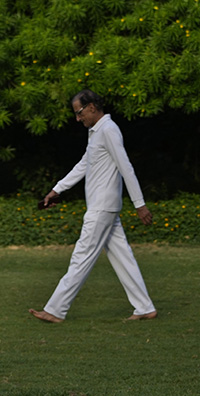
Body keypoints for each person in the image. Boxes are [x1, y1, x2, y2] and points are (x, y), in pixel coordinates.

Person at [29, 89, 156, 323]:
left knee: (81, 257)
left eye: (79, 113)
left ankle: (55, 310)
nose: (78, 119)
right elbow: (84, 164)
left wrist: (140, 205)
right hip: (104, 207)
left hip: (102, 207)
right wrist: (57, 189)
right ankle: (145, 307)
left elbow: (126, 167)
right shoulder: (96, 132)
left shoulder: (108, 130)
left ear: (92, 107)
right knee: (123, 258)